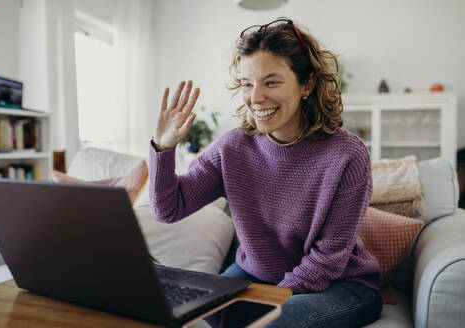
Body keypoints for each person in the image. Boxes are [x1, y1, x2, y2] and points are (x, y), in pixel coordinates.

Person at [149, 18, 382, 328]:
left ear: (307, 84)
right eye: (247, 84)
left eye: (271, 82)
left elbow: (327, 260)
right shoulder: (232, 148)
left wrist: (264, 303)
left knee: (272, 324)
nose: (255, 98)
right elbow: (168, 209)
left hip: (342, 286)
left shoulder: (347, 154)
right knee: (192, 312)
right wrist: (163, 148)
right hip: (256, 274)